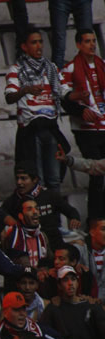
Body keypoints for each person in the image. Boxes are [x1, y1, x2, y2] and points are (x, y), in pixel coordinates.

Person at [5, 29, 83, 190]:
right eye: (34, 42)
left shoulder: (51, 67)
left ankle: (53, 214)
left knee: (54, 181)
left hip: (51, 128)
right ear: (24, 47)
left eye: (41, 41)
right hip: (30, 132)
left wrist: (79, 95)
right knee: (36, 182)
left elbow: (64, 92)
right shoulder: (16, 69)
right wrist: (25, 90)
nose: (39, 46)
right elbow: (9, 97)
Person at [60, 29, 105, 218]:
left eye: (94, 41)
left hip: (103, 126)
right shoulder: (69, 68)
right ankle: (95, 220)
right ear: (78, 45)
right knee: (97, 174)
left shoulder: (103, 65)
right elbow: (63, 98)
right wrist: (80, 111)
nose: (92, 45)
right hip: (85, 130)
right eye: (87, 41)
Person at [2, 162, 81, 250]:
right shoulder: (12, 201)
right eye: (17, 178)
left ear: (35, 179)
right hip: (28, 248)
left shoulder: (49, 195)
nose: (19, 182)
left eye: (23, 178)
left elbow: (71, 211)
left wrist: (75, 218)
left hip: (54, 246)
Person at [2, 197, 51, 268]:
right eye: (29, 209)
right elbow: (20, 266)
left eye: (36, 208)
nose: (35, 212)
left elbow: (49, 259)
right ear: (21, 216)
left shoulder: (42, 235)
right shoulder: (13, 236)